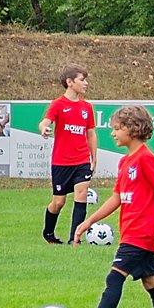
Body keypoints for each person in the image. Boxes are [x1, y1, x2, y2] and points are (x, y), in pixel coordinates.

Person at [68, 106, 154, 308]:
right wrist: (89, 221)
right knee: (152, 283)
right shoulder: (126, 162)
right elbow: (117, 198)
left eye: (117, 128)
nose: (113, 133)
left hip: (140, 235)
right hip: (131, 233)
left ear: (133, 130)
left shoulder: (146, 159)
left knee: (114, 278)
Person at [39, 64, 96, 244]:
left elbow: (90, 133)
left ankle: (75, 239)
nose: (86, 83)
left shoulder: (87, 107)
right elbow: (44, 122)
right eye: (82, 79)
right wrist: (44, 129)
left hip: (82, 160)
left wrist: (94, 157)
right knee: (58, 202)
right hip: (61, 162)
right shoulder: (58, 104)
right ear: (70, 82)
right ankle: (48, 233)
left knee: (82, 193)